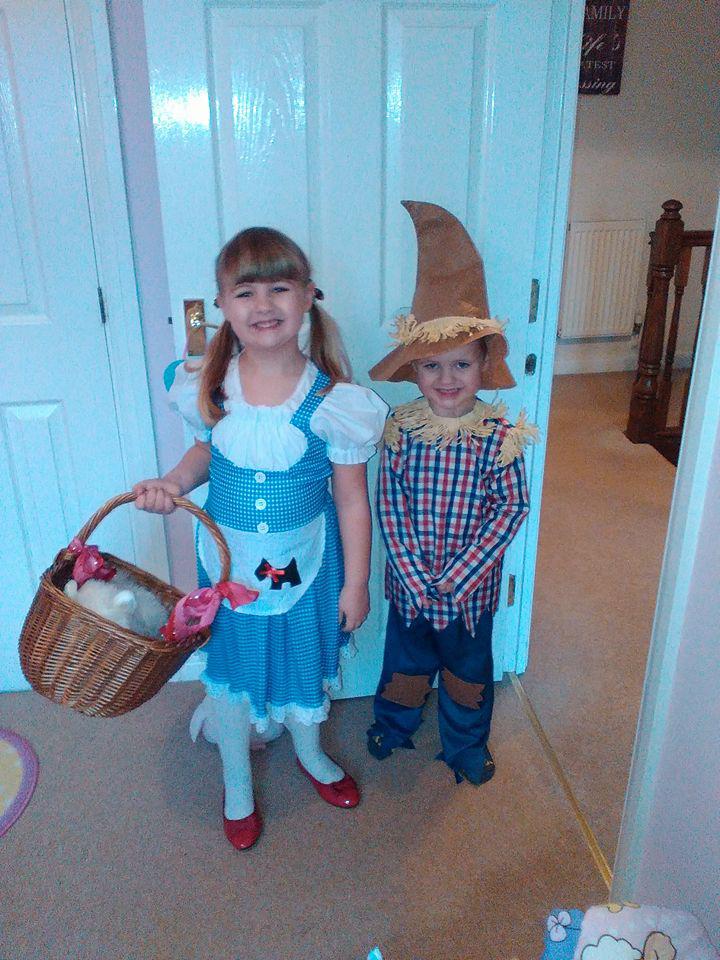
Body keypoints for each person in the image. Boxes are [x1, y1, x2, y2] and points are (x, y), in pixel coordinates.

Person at [134, 226, 387, 849]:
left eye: (280, 287)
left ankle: (310, 750)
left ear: (308, 298)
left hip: (307, 566)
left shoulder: (334, 401)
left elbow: (352, 500)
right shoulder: (209, 389)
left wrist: (358, 582)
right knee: (231, 667)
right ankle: (236, 781)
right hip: (229, 571)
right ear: (222, 304)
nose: (264, 305)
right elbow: (202, 455)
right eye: (245, 292)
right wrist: (172, 483)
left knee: (304, 662)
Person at [366, 200, 537, 786]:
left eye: (461, 364)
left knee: (467, 673)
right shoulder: (402, 429)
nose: (446, 379)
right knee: (404, 664)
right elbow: (390, 505)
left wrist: (459, 576)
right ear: (413, 372)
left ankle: (466, 744)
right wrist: (415, 574)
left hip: (471, 594)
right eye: (431, 366)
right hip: (411, 590)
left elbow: (510, 508)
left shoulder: (501, 435)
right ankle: (393, 723)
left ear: (483, 363)